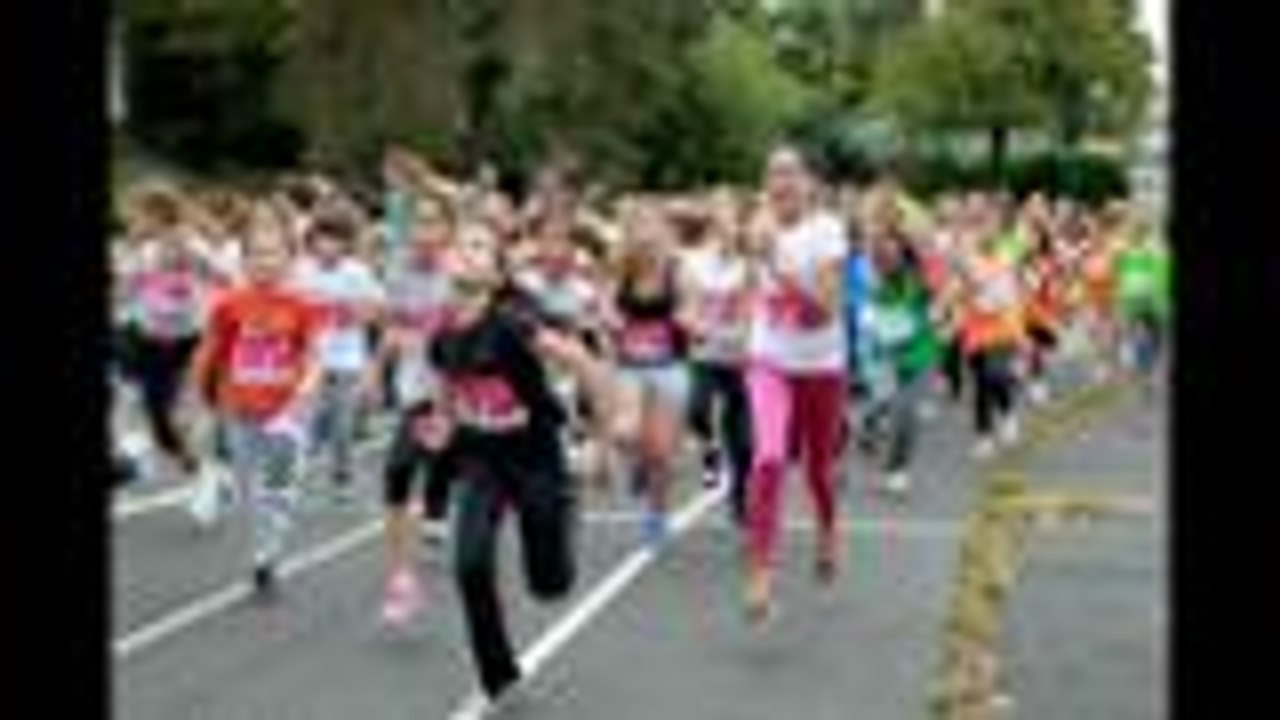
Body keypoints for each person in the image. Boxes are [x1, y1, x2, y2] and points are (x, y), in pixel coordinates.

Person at [432, 242, 633, 711]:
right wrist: (443, 422)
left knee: (550, 584)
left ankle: (567, 504)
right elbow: (448, 382)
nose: (464, 254)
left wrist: (603, 446)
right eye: (461, 247)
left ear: (496, 275)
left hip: (536, 458)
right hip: (481, 460)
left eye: (478, 248)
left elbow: (588, 367)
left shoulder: (513, 325)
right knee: (470, 563)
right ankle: (499, 677)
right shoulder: (441, 334)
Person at [190, 203, 323, 595]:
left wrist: (304, 392)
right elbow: (210, 352)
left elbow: (313, 355)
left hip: (286, 414)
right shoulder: (230, 305)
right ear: (243, 260)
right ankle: (259, 548)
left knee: (278, 490)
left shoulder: (302, 306)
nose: (264, 262)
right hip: (239, 409)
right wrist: (201, 403)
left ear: (289, 259)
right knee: (251, 490)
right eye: (255, 254)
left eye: (273, 253)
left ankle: (268, 555)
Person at [741, 145, 849, 624]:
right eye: (772, 174)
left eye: (790, 173)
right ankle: (762, 571)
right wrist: (748, 334)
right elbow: (752, 290)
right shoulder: (757, 227)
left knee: (819, 470)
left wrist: (779, 263)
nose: (781, 182)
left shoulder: (826, 230)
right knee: (767, 458)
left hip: (822, 365)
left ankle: (827, 530)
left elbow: (823, 309)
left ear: (809, 182)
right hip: (771, 363)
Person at [374, 204, 464, 626]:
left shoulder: (462, 277)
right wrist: (376, 374)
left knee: (445, 465)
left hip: (462, 395)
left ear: (448, 232)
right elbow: (392, 328)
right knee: (397, 472)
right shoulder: (399, 276)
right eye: (419, 225)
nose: (425, 233)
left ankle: (438, 509)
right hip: (416, 393)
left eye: (434, 224)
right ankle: (401, 579)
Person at [604, 202, 695, 547]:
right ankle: (637, 462)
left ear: (664, 236)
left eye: (653, 232)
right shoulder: (621, 270)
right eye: (639, 233)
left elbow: (691, 306)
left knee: (662, 454)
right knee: (624, 432)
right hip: (631, 366)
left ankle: (657, 513)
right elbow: (606, 303)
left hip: (670, 366)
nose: (646, 240)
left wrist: (688, 318)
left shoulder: (677, 272)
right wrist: (609, 317)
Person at [289, 208, 386, 501]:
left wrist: (356, 313)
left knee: (343, 426)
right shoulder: (301, 270)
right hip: (310, 359)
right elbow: (288, 305)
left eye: (336, 240)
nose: (328, 246)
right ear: (312, 240)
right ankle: (296, 473)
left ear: (347, 243)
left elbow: (379, 309)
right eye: (322, 239)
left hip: (347, 359)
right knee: (306, 419)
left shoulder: (357, 272)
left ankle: (342, 475)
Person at [682, 190, 753, 526]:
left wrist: (745, 333)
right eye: (722, 221)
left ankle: (739, 495)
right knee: (696, 409)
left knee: (745, 441)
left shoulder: (750, 264)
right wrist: (692, 324)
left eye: (734, 222)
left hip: (741, 358)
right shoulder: (693, 260)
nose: (729, 229)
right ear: (712, 224)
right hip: (705, 354)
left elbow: (752, 309)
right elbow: (686, 306)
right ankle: (710, 449)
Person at [861, 227, 941, 497]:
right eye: (886, 253)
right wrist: (875, 328)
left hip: (920, 354)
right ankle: (868, 426)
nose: (891, 257)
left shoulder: (918, 279)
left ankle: (897, 471)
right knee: (882, 404)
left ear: (905, 254)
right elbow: (871, 319)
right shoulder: (876, 282)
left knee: (906, 414)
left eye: (896, 252)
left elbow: (936, 304)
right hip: (887, 355)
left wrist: (937, 314)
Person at [955, 203, 1026, 459]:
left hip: (1001, 325)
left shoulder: (1008, 259)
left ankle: (995, 424)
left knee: (992, 375)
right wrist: (953, 317)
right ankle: (988, 430)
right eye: (983, 228)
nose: (988, 234)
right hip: (975, 326)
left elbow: (1015, 297)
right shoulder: (967, 260)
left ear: (999, 233)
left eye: (992, 229)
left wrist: (1020, 335)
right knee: (980, 381)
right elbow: (959, 293)